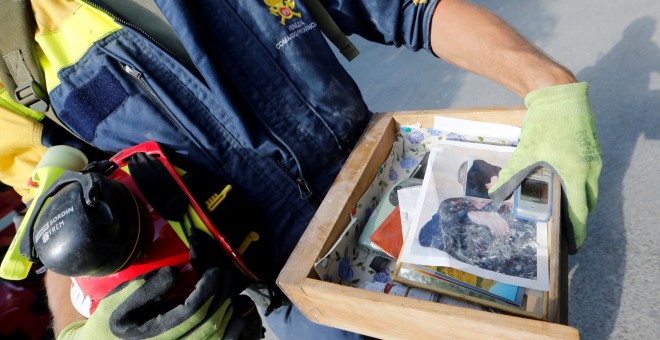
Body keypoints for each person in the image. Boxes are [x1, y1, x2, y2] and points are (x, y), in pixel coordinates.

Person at [0, 0, 601, 338]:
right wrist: (82, 329)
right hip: (287, 295)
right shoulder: (13, 57)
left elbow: (411, 10)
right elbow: (57, 224)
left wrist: (547, 89)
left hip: (404, 191)